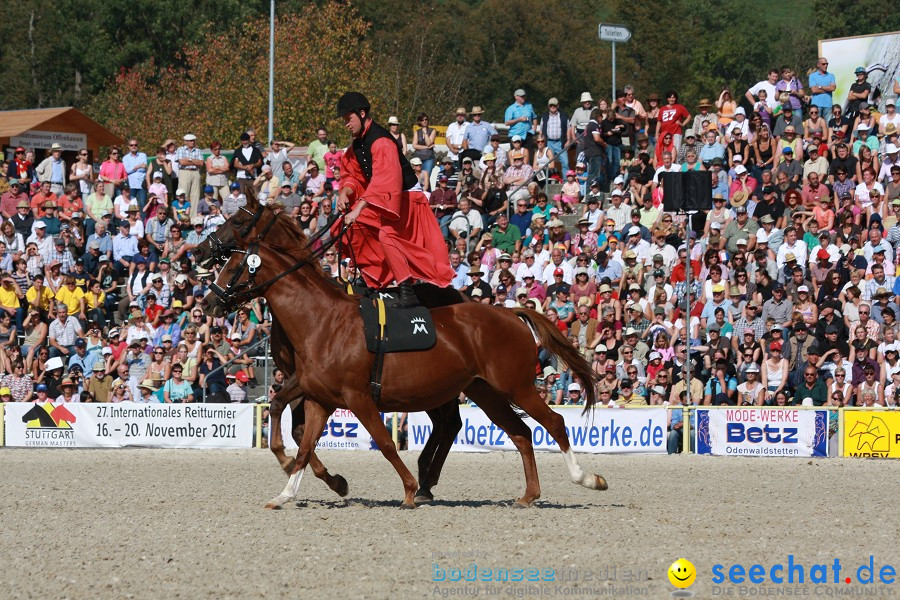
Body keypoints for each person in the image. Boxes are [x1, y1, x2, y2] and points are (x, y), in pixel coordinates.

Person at [332, 92, 453, 305]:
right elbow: (353, 176)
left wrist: (357, 209)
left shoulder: (381, 141)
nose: (346, 125)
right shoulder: (358, 143)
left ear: (362, 114)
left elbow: (383, 181)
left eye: (348, 119)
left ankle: (407, 292)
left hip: (405, 199)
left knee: (387, 236)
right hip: (385, 198)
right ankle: (373, 278)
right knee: (347, 227)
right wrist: (344, 192)